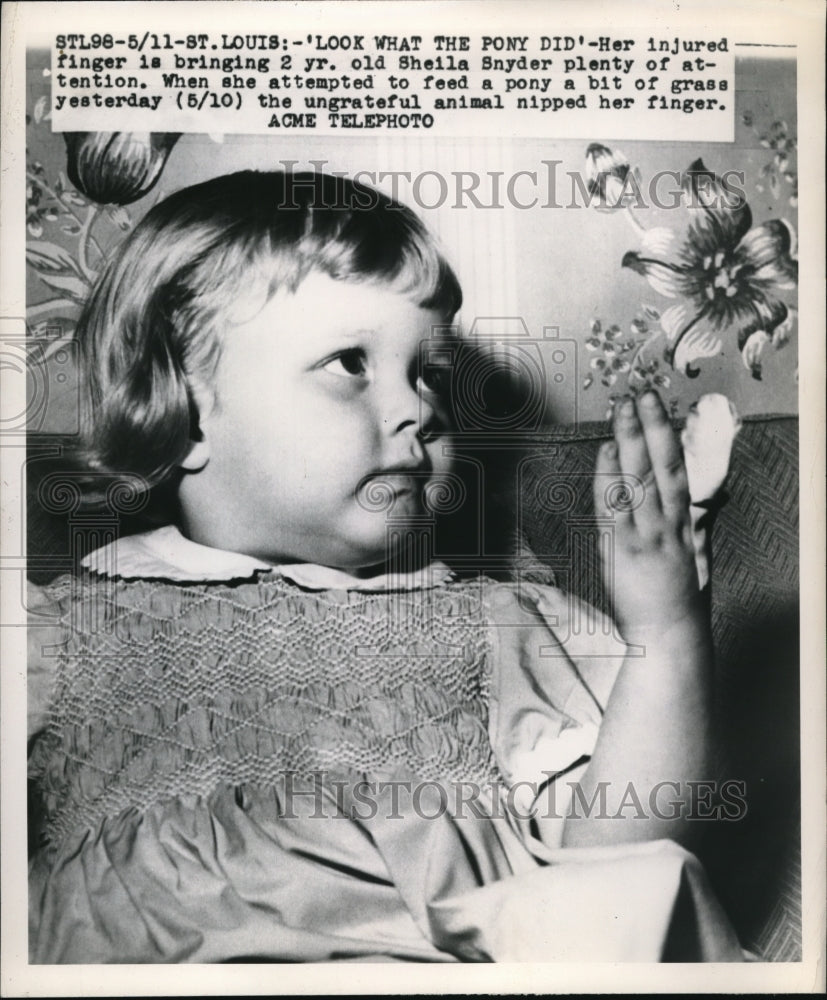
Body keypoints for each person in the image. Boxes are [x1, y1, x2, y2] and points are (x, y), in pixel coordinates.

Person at [27, 170, 744, 963]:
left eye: (427, 374)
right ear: (182, 405)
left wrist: (663, 627)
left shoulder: (492, 625)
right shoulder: (55, 631)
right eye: (349, 364)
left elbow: (617, 864)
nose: (419, 409)